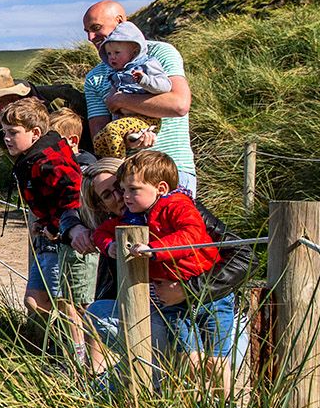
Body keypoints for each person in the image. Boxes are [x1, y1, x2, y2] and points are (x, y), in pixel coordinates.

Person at [77, 158, 252, 375]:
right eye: (109, 194)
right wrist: (73, 229)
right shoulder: (120, 230)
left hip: (212, 305)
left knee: (214, 371)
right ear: (101, 206)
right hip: (166, 315)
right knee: (98, 313)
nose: (122, 197)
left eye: (125, 188)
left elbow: (244, 256)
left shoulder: (179, 209)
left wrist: (188, 290)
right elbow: (68, 211)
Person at [81, 1, 197, 193]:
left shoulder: (159, 53)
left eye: (95, 28)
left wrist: (120, 100)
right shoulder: (95, 77)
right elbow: (100, 138)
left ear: (119, 21)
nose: (91, 37)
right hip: (127, 179)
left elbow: (178, 105)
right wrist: (126, 139)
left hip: (173, 170)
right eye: (87, 31)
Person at [0, 98, 83, 333]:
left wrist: (57, 227)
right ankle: (50, 348)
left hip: (64, 242)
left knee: (68, 306)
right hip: (48, 238)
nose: (6, 138)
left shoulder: (50, 160)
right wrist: (45, 222)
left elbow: (74, 195)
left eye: (13, 132)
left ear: (35, 133)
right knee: (35, 301)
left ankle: (77, 363)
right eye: (4, 131)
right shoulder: (35, 158)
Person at [48, 107, 97, 365]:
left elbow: (77, 206)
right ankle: (77, 355)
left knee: (80, 303)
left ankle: (85, 360)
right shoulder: (67, 166)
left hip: (82, 245)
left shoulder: (83, 169)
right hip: (69, 241)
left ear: (72, 141)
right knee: (67, 300)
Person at [94, 21, 170, 159]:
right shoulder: (116, 73)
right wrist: (111, 99)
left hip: (146, 118)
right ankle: (106, 164)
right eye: (109, 53)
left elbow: (165, 85)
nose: (112, 57)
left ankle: (118, 164)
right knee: (99, 140)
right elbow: (112, 98)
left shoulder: (147, 65)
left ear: (134, 51)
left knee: (112, 131)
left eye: (117, 52)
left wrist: (144, 80)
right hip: (125, 119)